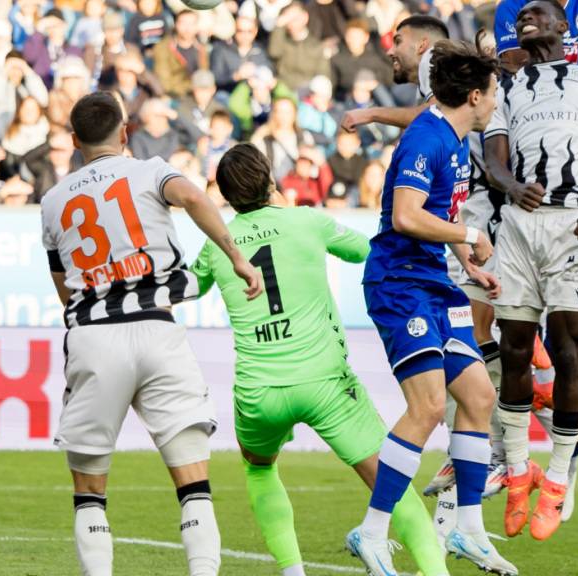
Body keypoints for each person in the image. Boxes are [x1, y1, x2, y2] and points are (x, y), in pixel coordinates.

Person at [190, 143, 448, 576]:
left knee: (258, 468)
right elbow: (367, 252)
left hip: (260, 392)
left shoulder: (218, 245)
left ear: (227, 196)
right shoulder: (306, 221)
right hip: (326, 384)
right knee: (389, 481)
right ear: (271, 178)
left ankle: (293, 571)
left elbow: (188, 289)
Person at [39, 91, 262, 576]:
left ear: (75, 140)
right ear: (124, 131)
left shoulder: (53, 201)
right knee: (193, 485)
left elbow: (63, 290)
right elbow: (194, 197)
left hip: (95, 334)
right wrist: (237, 257)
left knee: (89, 493)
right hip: (157, 328)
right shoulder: (150, 170)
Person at [347, 40, 517, 576]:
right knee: (426, 408)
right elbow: (405, 215)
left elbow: (439, 213)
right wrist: (469, 233)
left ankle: (467, 529)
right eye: (494, 92)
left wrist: (468, 264)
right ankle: (371, 531)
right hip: (401, 283)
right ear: (474, 95)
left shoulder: (450, 136)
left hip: (436, 283)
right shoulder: (427, 137)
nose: (496, 100)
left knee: (479, 395)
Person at [482, 0, 578, 543]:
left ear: (563, 26)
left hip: (573, 224)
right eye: (522, 13)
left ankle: (560, 475)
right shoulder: (508, 87)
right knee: (515, 347)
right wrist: (509, 185)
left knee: (566, 349)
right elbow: (494, 157)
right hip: (520, 225)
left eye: (539, 12)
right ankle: (520, 471)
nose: (527, 16)